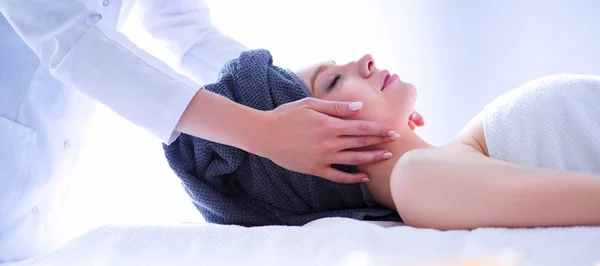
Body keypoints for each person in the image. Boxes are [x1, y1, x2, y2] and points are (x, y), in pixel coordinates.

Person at [0, 0, 423, 263]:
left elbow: (187, 33)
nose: (367, 63)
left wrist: (293, 107)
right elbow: (72, 41)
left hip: (39, 190)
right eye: (331, 83)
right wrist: (264, 130)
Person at [164, 47, 600, 230]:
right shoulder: (416, 179)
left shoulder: (442, 165)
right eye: (333, 81)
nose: (366, 59)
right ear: (316, 151)